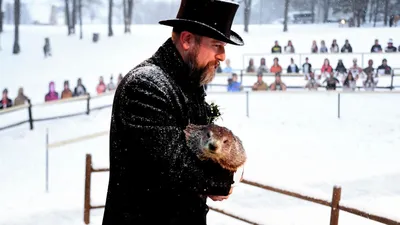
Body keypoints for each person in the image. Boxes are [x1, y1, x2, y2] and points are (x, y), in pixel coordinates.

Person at [101, 1, 244, 225]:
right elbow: (173, 169)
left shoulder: (189, 83)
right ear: (187, 40)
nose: (223, 56)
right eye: (217, 44)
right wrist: (221, 179)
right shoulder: (146, 85)